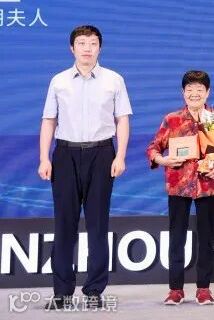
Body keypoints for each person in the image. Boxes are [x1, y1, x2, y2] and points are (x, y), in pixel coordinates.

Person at [38, 25, 132, 311]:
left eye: (92, 43)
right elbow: (49, 121)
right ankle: (62, 292)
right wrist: (44, 158)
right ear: (72, 48)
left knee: (98, 225)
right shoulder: (58, 81)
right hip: (65, 155)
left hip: (102, 154)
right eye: (81, 43)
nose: (87, 48)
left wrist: (120, 156)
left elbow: (122, 120)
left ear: (100, 48)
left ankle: (94, 291)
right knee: (64, 225)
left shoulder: (114, 80)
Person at [146, 71, 214, 306]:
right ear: (183, 93)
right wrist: (163, 160)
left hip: (208, 185)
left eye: (199, 90)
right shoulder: (172, 119)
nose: (194, 94)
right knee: (177, 238)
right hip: (179, 185)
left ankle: (204, 289)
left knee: (206, 237)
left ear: (208, 92)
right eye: (190, 90)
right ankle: (175, 289)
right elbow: (153, 148)